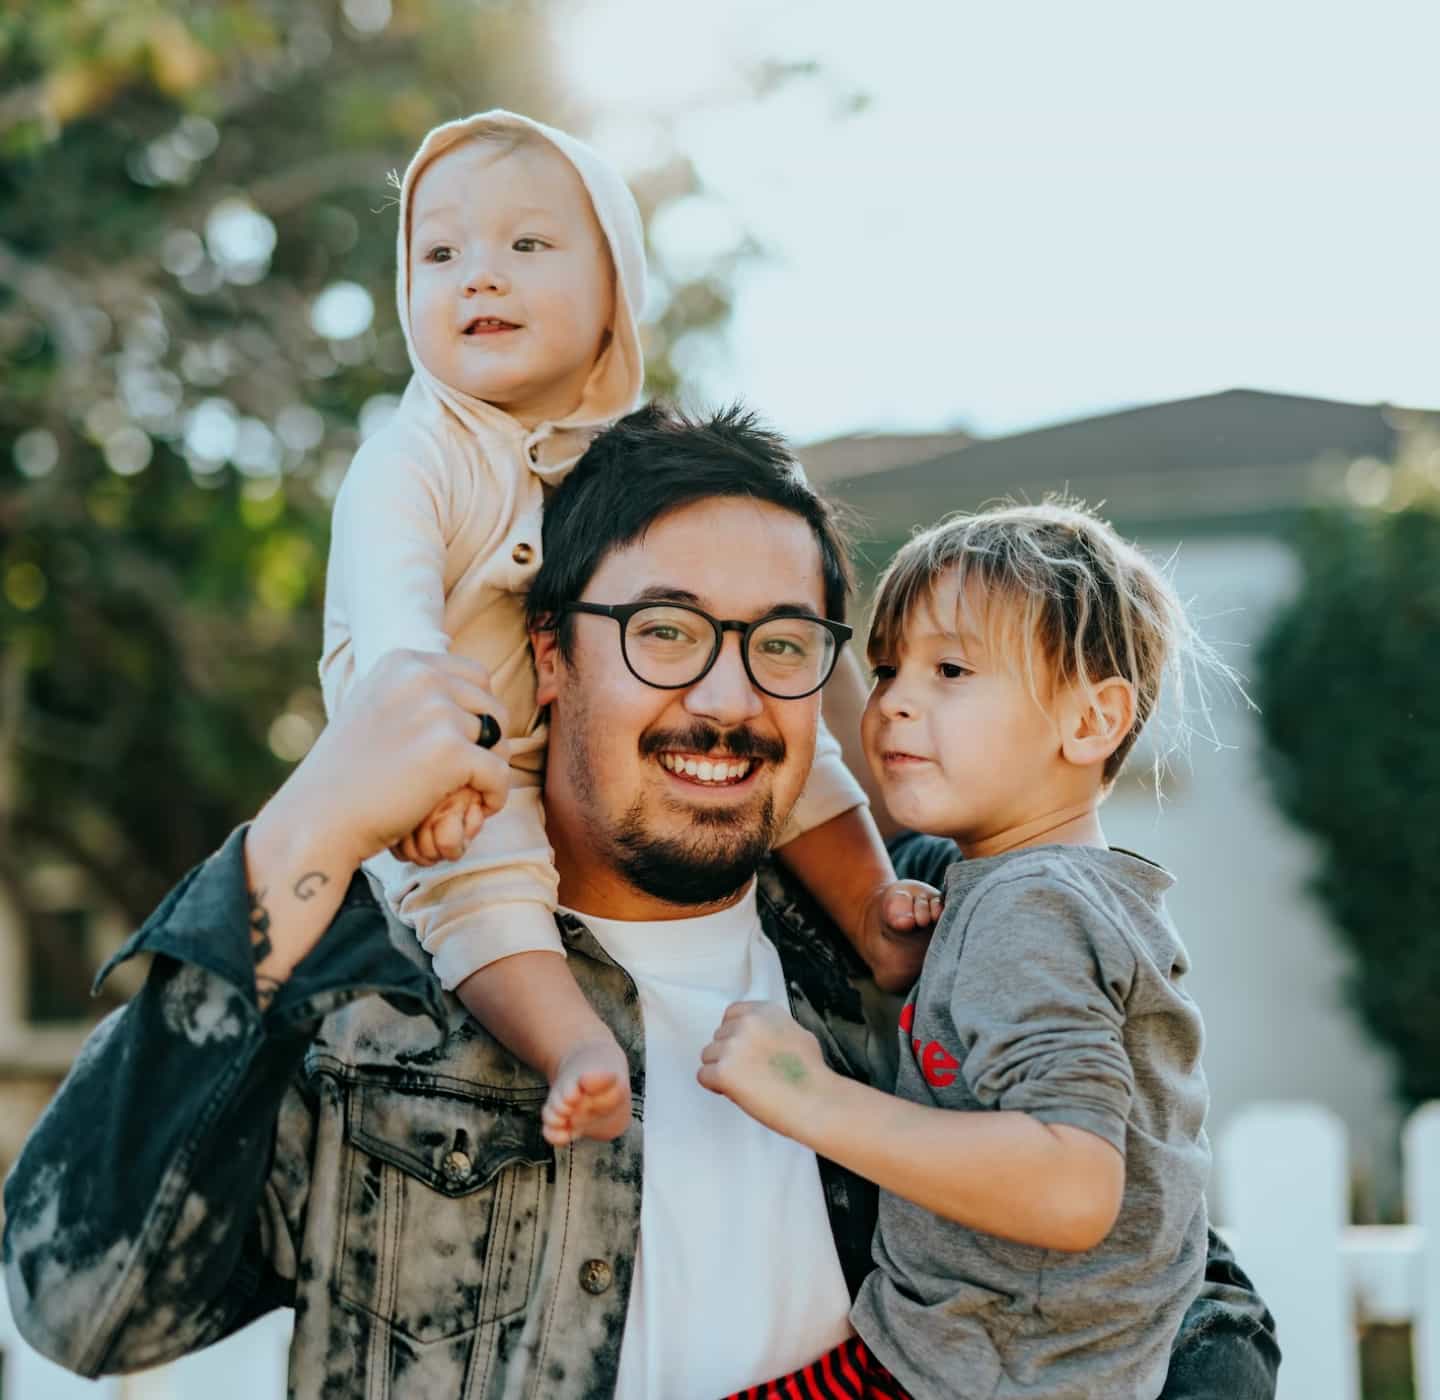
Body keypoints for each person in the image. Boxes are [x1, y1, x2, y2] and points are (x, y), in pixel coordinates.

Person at [2, 408, 1278, 1398]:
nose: (726, 697)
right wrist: (309, 822)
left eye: (781, 642)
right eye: (665, 629)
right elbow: (83, 1297)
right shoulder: (370, 979)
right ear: (550, 654)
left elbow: (1179, 1276)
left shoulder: (910, 936)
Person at [320, 111, 930, 1148]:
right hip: (450, 764)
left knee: (796, 743)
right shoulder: (414, 456)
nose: (480, 276)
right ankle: (573, 1044)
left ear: (616, 295)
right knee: (483, 889)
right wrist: (430, 771)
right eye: (440, 252)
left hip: (548, 744)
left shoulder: (631, 463)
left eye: (526, 245)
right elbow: (396, 635)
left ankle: (875, 911)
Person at [702, 500, 1235, 1399]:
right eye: (885, 667)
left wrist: (804, 1095)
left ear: (1092, 721)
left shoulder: (1029, 907)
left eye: (950, 668)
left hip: (974, 1371)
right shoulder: (1049, 891)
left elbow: (1072, 1186)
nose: (896, 700)